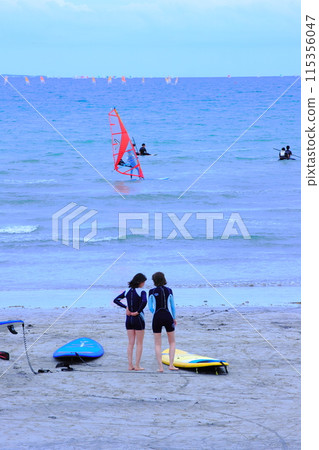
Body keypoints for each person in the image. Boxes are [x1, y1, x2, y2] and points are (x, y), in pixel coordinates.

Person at [113, 273, 147, 371]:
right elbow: (144, 302)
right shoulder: (142, 291)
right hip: (138, 318)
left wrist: (126, 307)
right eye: (144, 282)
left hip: (128, 319)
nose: (144, 284)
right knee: (139, 343)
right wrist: (137, 312)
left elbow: (116, 300)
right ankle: (137, 366)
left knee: (130, 343)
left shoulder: (127, 291)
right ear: (140, 282)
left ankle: (130, 365)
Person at [148, 272, 178, 372]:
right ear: (164, 279)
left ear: (154, 281)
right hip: (167, 316)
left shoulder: (151, 291)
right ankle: (171, 365)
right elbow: (173, 306)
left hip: (157, 317)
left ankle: (160, 367)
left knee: (157, 344)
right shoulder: (169, 290)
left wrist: (156, 314)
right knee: (172, 342)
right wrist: (174, 318)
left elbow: (150, 307)